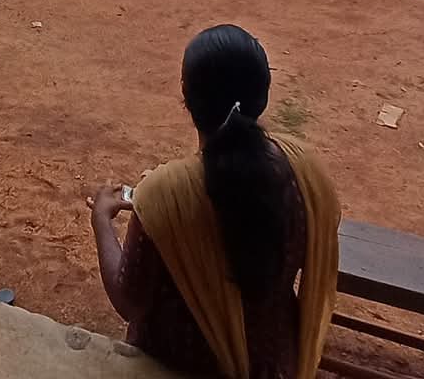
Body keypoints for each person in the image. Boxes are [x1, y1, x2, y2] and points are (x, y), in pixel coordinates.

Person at [88, 24, 340, 379]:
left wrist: (101, 220)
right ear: (263, 96)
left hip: (179, 365)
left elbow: (130, 301)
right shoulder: (306, 170)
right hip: (275, 362)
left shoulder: (164, 196)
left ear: (187, 97)